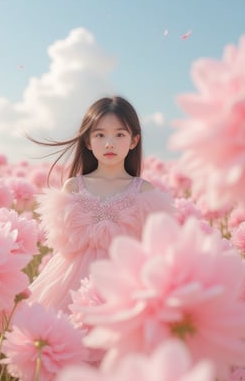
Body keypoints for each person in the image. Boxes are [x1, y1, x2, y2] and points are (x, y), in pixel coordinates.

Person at [29, 95, 175, 313]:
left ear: (134, 141)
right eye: (100, 134)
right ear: (88, 141)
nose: (109, 143)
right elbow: (62, 246)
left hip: (124, 286)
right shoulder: (73, 188)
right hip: (69, 286)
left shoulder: (145, 193)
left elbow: (156, 250)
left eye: (119, 134)